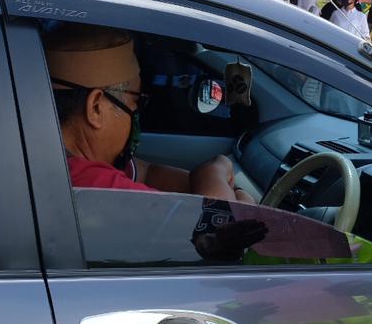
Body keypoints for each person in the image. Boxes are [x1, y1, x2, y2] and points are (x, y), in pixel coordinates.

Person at [43, 24, 248, 201]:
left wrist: (216, 184)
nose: (136, 113)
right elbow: (215, 233)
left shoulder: (53, 156)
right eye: (136, 101)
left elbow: (145, 172)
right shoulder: (92, 185)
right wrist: (215, 173)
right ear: (96, 107)